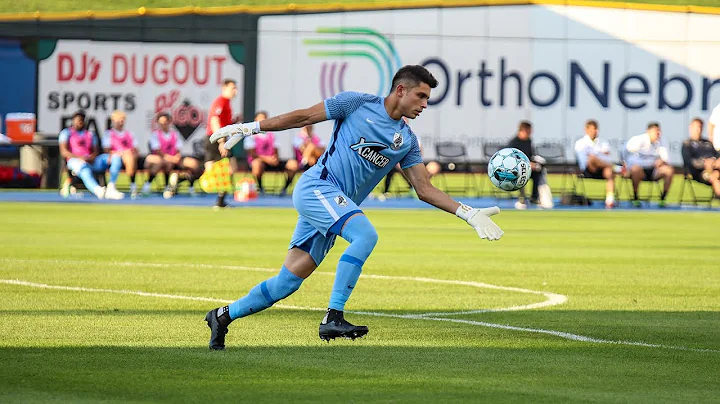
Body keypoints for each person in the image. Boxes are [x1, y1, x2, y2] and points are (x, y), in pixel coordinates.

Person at [203, 65, 504, 350]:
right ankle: (333, 317)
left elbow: (424, 189)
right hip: (317, 188)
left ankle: (222, 316)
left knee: (288, 282)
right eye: (421, 96)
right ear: (401, 90)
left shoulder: (407, 141)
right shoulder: (356, 103)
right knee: (365, 235)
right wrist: (250, 128)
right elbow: (304, 117)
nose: (425, 104)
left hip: (335, 206)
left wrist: (469, 213)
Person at [59, 110, 124, 200]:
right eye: (78, 120)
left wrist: (91, 157)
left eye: (82, 120)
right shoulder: (66, 133)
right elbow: (64, 152)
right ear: (73, 121)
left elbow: (95, 151)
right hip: (74, 160)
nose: (80, 122)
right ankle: (98, 190)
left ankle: (111, 186)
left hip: (91, 160)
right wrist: (80, 158)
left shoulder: (90, 134)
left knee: (116, 157)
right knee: (84, 169)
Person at [143, 112, 202, 199]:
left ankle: (186, 182)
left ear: (169, 122)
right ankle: (153, 184)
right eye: (161, 122)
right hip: (163, 158)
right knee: (164, 163)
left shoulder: (175, 134)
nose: (163, 124)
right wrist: (170, 158)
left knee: (194, 164)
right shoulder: (155, 135)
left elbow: (178, 149)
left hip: (175, 158)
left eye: (165, 122)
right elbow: (158, 151)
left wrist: (177, 157)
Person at [244, 111, 299, 196]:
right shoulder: (251, 135)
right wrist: (267, 159)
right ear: (256, 120)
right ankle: (260, 187)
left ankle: (284, 189)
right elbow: (252, 153)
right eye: (261, 118)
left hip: (272, 161)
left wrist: (275, 158)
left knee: (293, 164)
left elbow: (276, 149)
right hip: (259, 161)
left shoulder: (272, 134)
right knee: (257, 165)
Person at [205, 78, 239, 208]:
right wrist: (221, 141)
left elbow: (224, 123)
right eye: (232, 88)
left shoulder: (227, 103)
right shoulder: (221, 101)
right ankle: (184, 178)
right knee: (214, 171)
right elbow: (214, 121)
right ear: (224, 88)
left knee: (229, 169)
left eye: (235, 88)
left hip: (220, 138)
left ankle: (221, 201)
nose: (235, 91)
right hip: (216, 139)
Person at [623, 122, 674, 207]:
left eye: (659, 131)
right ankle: (635, 198)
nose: (658, 134)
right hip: (639, 170)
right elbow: (626, 151)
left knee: (669, 171)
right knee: (636, 169)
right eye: (655, 131)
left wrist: (661, 161)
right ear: (648, 131)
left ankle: (663, 199)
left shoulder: (662, 141)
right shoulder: (638, 140)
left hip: (654, 170)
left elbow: (667, 159)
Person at [507, 121, 552, 209]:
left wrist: (536, 163)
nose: (530, 133)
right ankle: (522, 198)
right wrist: (527, 164)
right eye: (529, 131)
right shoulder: (514, 143)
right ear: (523, 130)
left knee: (538, 173)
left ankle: (534, 198)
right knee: (521, 173)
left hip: (528, 167)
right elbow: (512, 160)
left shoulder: (528, 141)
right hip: (515, 169)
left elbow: (530, 155)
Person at [574, 119, 616, 208]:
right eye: (592, 130)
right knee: (592, 158)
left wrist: (599, 158)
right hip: (588, 170)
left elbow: (608, 158)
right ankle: (617, 168)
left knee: (609, 172)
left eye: (596, 129)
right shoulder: (580, 143)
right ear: (586, 130)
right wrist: (599, 156)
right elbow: (584, 161)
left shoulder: (603, 143)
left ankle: (610, 200)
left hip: (602, 170)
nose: (594, 132)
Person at [102, 110, 139, 198]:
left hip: (128, 157)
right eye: (118, 120)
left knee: (130, 157)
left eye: (122, 120)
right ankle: (112, 186)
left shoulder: (129, 134)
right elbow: (106, 150)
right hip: (114, 158)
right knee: (119, 158)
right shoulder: (109, 134)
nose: (121, 123)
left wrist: (128, 153)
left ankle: (132, 184)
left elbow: (136, 150)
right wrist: (121, 153)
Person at [681, 118, 720, 198]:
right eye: (696, 127)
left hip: (715, 168)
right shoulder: (687, 144)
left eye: (700, 127)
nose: (698, 130)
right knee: (715, 176)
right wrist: (704, 163)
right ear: (690, 128)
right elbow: (689, 161)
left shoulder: (708, 143)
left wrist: (713, 162)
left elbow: (716, 155)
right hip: (699, 172)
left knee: (716, 172)